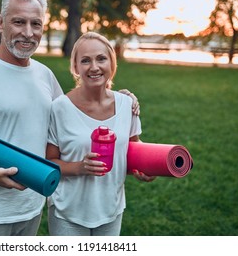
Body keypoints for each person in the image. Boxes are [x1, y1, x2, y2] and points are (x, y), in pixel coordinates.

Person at [0, 0, 139, 236]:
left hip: (34, 205)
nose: (28, 33)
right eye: (19, 22)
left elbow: (77, 111)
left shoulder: (44, 75)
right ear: (2, 23)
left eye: (36, 24)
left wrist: (117, 97)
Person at [46, 32, 156, 236]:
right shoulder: (59, 108)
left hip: (111, 210)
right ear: (76, 67)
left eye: (101, 58)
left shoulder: (127, 105)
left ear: (112, 64)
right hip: (68, 212)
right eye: (85, 60)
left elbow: (132, 149)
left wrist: (143, 168)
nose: (94, 67)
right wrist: (79, 167)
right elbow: (48, 161)